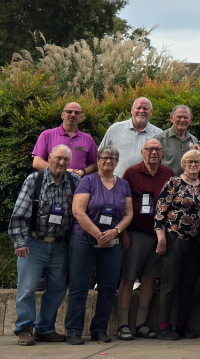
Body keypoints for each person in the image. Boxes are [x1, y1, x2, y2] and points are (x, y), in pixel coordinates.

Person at [9, 145, 78, 346]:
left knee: (57, 289)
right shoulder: (34, 180)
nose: (62, 163)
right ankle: (24, 329)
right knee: (27, 288)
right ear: (49, 158)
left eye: (66, 160)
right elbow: (19, 213)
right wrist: (19, 242)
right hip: (33, 244)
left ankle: (45, 329)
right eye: (58, 158)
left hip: (60, 246)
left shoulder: (75, 181)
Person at [65, 146, 132, 345]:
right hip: (84, 240)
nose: (108, 161)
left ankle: (99, 329)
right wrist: (97, 234)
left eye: (112, 158)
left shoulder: (123, 185)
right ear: (98, 159)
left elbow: (128, 214)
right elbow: (78, 211)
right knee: (79, 286)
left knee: (109, 286)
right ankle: (74, 330)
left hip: (112, 242)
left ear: (117, 161)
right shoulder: (88, 180)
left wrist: (115, 231)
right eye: (104, 158)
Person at [117, 139, 174, 340]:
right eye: (149, 149)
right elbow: (122, 204)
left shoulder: (168, 174)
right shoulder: (131, 173)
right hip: (135, 234)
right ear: (142, 153)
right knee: (128, 278)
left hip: (159, 235)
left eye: (157, 149)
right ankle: (123, 325)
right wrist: (123, 234)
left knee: (150, 280)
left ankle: (141, 324)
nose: (153, 153)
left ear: (162, 153)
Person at [153, 149, 200, 340]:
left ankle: (182, 323)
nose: (193, 165)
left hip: (196, 241)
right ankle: (163, 325)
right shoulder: (174, 182)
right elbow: (160, 211)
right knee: (170, 282)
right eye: (189, 162)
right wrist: (161, 238)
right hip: (174, 238)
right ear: (184, 164)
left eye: (197, 162)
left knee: (188, 283)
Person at [100, 97, 163, 176]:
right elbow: (100, 155)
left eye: (145, 108)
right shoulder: (115, 129)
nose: (141, 111)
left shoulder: (158, 134)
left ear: (151, 112)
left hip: (144, 185)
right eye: (138, 108)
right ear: (132, 110)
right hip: (116, 183)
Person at [32, 101, 97, 177]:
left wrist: (83, 172)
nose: (73, 114)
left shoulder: (88, 139)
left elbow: (95, 164)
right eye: (69, 112)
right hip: (52, 184)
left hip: (78, 184)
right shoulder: (47, 135)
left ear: (81, 118)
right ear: (62, 115)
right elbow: (36, 163)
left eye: (76, 113)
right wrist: (63, 171)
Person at [153, 105, 197, 175]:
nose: (182, 120)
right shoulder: (160, 139)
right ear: (171, 118)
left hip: (188, 183)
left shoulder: (194, 140)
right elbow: (152, 164)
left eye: (186, 117)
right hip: (166, 183)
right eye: (179, 117)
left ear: (190, 120)